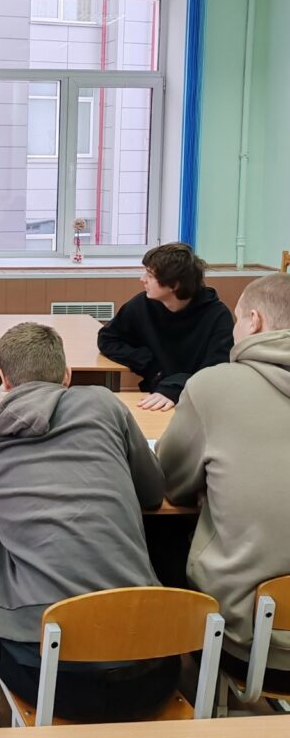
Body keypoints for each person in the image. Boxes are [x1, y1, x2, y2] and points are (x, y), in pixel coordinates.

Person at [0, 322, 178, 729]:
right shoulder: (104, 405)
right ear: (67, 375)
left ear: (3, 381)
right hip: (152, 672)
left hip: (49, 678)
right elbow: (152, 494)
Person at [157, 273, 290, 692]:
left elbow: (170, 483)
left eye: (237, 319)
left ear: (254, 321)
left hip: (249, 646)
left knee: (156, 531)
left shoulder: (213, 385)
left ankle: (158, 676)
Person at [98, 242, 233, 412]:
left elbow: (217, 371)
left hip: (200, 402)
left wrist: (176, 386)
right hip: (156, 397)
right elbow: (108, 338)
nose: (142, 279)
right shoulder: (142, 304)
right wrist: (151, 366)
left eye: (150, 275)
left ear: (174, 285)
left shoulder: (218, 316)